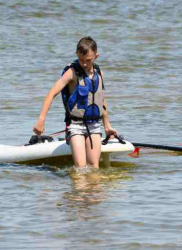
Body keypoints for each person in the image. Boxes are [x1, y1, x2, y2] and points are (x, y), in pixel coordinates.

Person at [33, 36, 118, 170]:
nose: (84, 64)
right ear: (76, 55)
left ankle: (94, 191)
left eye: (88, 60)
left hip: (94, 125)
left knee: (94, 167)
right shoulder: (71, 72)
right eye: (81, 60)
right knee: (80, 167)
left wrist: (107, 126)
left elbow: (101, 99)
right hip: (75, 126)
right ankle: (78, 190)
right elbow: (51, 94)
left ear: (96, 56)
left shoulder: (99, 73)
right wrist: (41, 119)